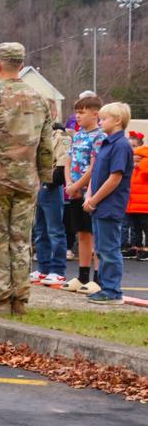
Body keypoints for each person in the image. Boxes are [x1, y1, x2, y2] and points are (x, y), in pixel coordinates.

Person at [0, 42, 53, 315]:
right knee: (22, 240)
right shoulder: (39, 99)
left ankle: (2, 298)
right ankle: (21, 299)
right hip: (27, 180)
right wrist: (44, 175)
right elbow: (45, 144)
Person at [83, 103, 134, 305]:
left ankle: (112, 291)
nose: (100, 122)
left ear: (118, 120)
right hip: (99, 205)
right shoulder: (107, 143)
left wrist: (94, 200)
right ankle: (106, 287)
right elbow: (96, 173)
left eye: (104, 119)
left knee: (109, 249)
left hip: (109, 205)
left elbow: (115, 178)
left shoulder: (121, 145)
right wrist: (89, 195)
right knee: (102, 248)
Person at [62, 96, 106, 294]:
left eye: (82, 112)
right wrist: (70, 183)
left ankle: (98, 277)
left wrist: (79, 184)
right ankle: (82, 276)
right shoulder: (78, 135)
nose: (77, 116)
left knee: (94, 234)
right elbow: (69, 160)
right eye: (77, 112)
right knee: (82, 233)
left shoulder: (99, 136)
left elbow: (94, 166)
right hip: (74, 191)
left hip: (89, 191)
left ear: (95, 114)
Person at [30, 121, 71, 287]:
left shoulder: (61, 138)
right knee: (40, 230)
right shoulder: (36, 135)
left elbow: (62, 162)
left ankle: (58, 270)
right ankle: (43, 267)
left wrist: (49, 182)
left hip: (51, 186)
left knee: (55, 230)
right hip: (38, 185)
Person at [125, 137, 148, 261]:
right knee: (136, 228)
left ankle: (146, 250)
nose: (135, 163)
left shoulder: (144, 168)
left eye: (138, 160)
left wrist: (141, 164)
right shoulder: (133, 170)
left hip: (144, 207)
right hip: (134, 205)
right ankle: (136, 248)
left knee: (146, 228)